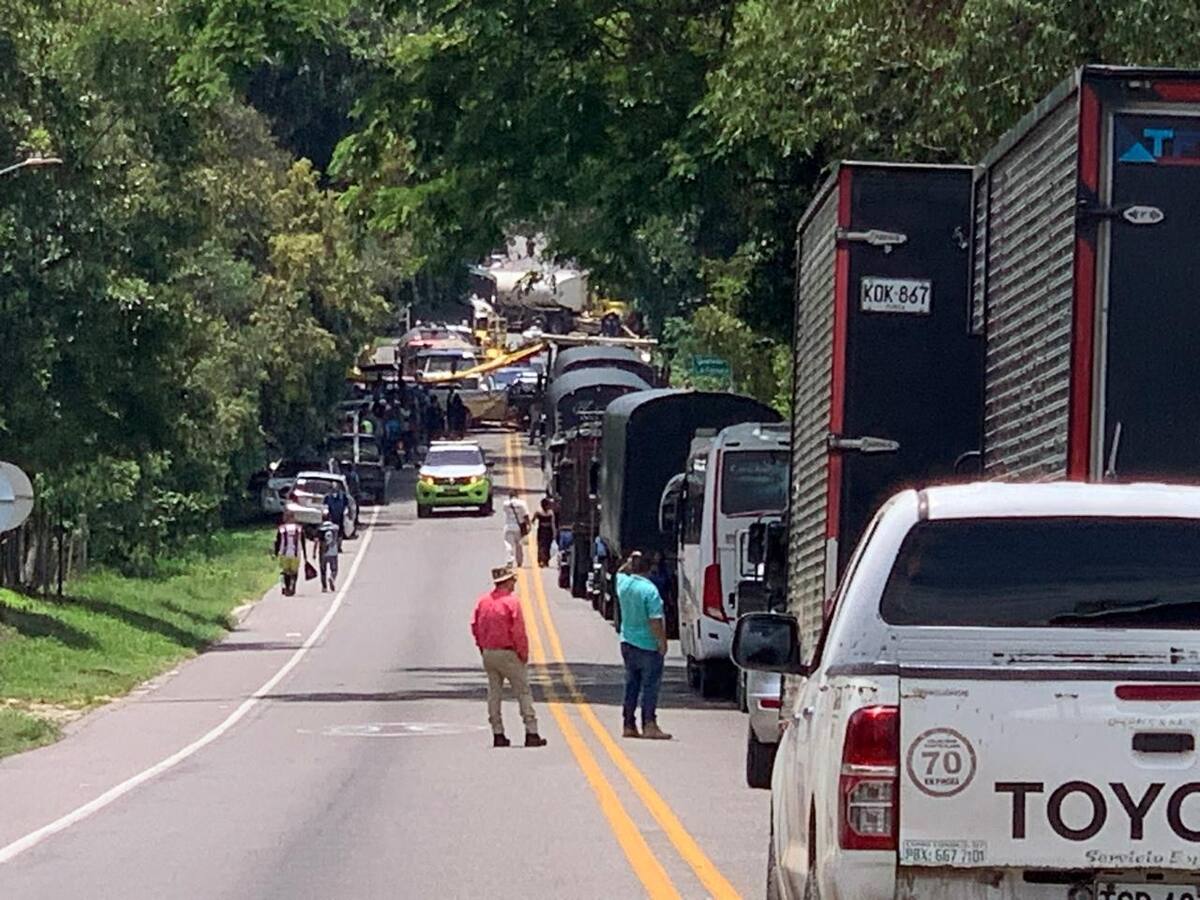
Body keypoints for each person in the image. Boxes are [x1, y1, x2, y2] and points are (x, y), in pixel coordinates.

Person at [471, 564, 547, 748]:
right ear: (506, 582)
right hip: (508, 652)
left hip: (489, 652)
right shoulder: (512, 603)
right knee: (522, 691)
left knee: (494, 693)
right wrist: (523, 653)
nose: (514, 583)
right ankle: (531, 732)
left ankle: (498, 733)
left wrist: (482, 647)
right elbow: (518, 631)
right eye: (512, 580)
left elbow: (474, 626)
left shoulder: (483, 602)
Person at [616, 551, 672, 740]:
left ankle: (628, 724)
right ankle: (649, 724)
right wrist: (662, 643)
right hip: (648, 645)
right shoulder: (650, 591)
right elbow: (655, 621)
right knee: (650, 687)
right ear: (651, 569)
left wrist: (630, 560)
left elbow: (620, 571)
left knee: (631, 685)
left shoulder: (624, 584)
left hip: (628, 642)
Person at [273, 511, 307, 597]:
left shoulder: (281, 528)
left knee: (285, 571)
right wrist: (305, 556)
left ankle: (287, 588)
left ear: (286, 518)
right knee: (294, 572)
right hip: (296, 554)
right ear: (293, 518)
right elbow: (303, 542)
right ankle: (293, 586)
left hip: (284, 554)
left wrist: (275, 553)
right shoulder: (299, 528)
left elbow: (277, 542)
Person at [503, 489, 531, 568]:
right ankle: (519, 562)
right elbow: (526, 516)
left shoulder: (505, 504)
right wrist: (529, 525)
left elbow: (505, 511)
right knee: (519, 545)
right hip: (519, 527)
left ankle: (510, 560)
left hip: (508, 526)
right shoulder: (522, 504)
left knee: (509, 544)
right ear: (517, 495)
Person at [315, 510, 341, 592]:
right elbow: (339, 538)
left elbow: (316, 541)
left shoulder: (320, 529)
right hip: (333, 551)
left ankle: (324, 587)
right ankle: (332, 578)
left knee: (323, 570)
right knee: (334, 569)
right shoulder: (335, 528)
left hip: (323, 552)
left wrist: (314, 552)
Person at [534, 497, 557, 568]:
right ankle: (545, 561)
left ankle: (541, 560)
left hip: (541, 530)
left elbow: (533, 520)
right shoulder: (550, 513)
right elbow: (553, 523)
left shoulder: (538, 512)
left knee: (541, 545)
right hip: (548, 531)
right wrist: (554, 533)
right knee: (547, 546)